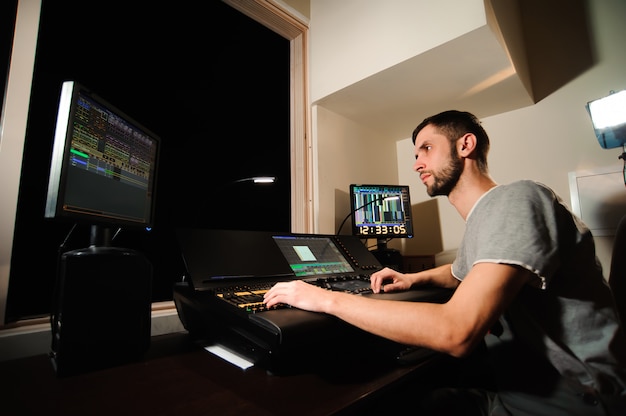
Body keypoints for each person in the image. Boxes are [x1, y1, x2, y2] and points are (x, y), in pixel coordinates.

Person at [264, 110, 626, 415]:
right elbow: (460, 272)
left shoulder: (516, 200)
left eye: (426, 148)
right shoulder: (485, 220)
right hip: (532, 390)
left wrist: (325, 299)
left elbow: (456, 332)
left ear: (465, 145)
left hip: (580, 399)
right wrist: (412, 279)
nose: (416, 161)